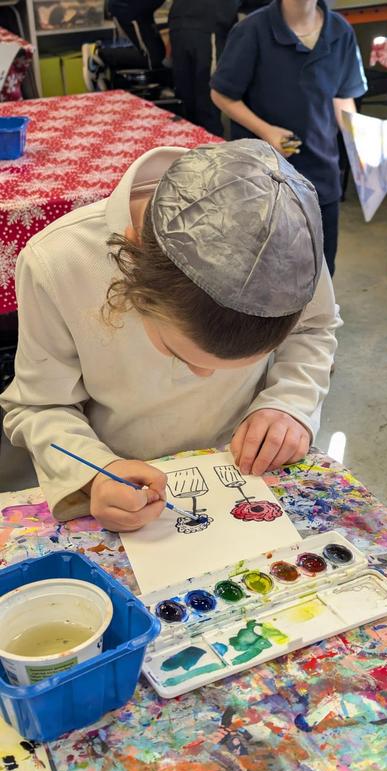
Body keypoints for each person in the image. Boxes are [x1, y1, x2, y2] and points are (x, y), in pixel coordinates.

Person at [0, 140, 340, 533]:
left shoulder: (286, 240)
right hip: (123, 476)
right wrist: (95, 472)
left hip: (244, 471)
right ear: (130, 264)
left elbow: (314, 327)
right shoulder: (58, 262)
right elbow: (38, 407)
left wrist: (288, 402)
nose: (204, 377)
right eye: (181, 354)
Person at [210, 0, 367, 276]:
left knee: (321, 265)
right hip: (264, 176)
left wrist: (361, 144)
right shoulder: (252, 30)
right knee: (265, 268)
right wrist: (266, 130)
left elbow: (343, 98)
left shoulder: (340, 31)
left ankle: (317, 318)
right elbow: (222, 94)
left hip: (321, 171)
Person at [168, 0, 239, 135]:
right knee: (207, 100)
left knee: (185, 98)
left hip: (180, 23)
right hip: (209, 23)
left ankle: (183, 145)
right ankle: (209, 149)